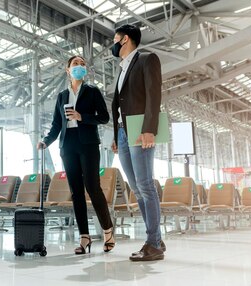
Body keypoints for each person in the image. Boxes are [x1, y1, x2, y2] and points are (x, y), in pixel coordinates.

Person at [37, 55, 114, 255]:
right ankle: (84, 237)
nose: (80, 66)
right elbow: (56, 124)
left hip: (87, 143)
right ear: (67, 69)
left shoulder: (92, 91)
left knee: (93, 187)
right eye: (75, 64)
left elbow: (104, 117)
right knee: (76, 192)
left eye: (82, 64)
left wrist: (82, 117)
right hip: (67, 144)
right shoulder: (62, 95)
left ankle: (107, 231)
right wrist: (46, 141)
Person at [110, 24, 165, 261]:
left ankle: (153, 242)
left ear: (125, 40)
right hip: (123, 133)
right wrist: (116, 135)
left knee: (145, 185)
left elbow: (154, 94)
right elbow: (120, 104)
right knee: (136, 188)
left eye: (115, 39)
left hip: (139, 130)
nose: (112, 44)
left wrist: (149, 129)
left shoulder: (146, 59)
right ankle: (156, 239)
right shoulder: (122, 69)